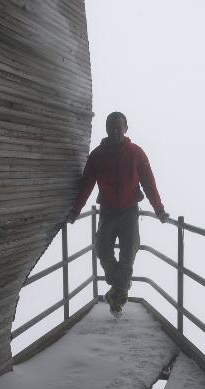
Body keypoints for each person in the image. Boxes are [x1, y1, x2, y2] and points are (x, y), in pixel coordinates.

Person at [67, 112, 168, 317]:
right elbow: (86, 185)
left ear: (126, 128)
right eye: (111, 127)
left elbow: (149, 183)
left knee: (128, 253)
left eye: (118, 127)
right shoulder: (97, 156)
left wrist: (159, 209)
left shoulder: (136, 153)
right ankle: (119, 289)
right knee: (102, 250)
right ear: (106, 129)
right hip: (108, 210)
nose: (114, 131)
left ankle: (116, 296)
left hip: (130, 210)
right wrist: (76, 210)